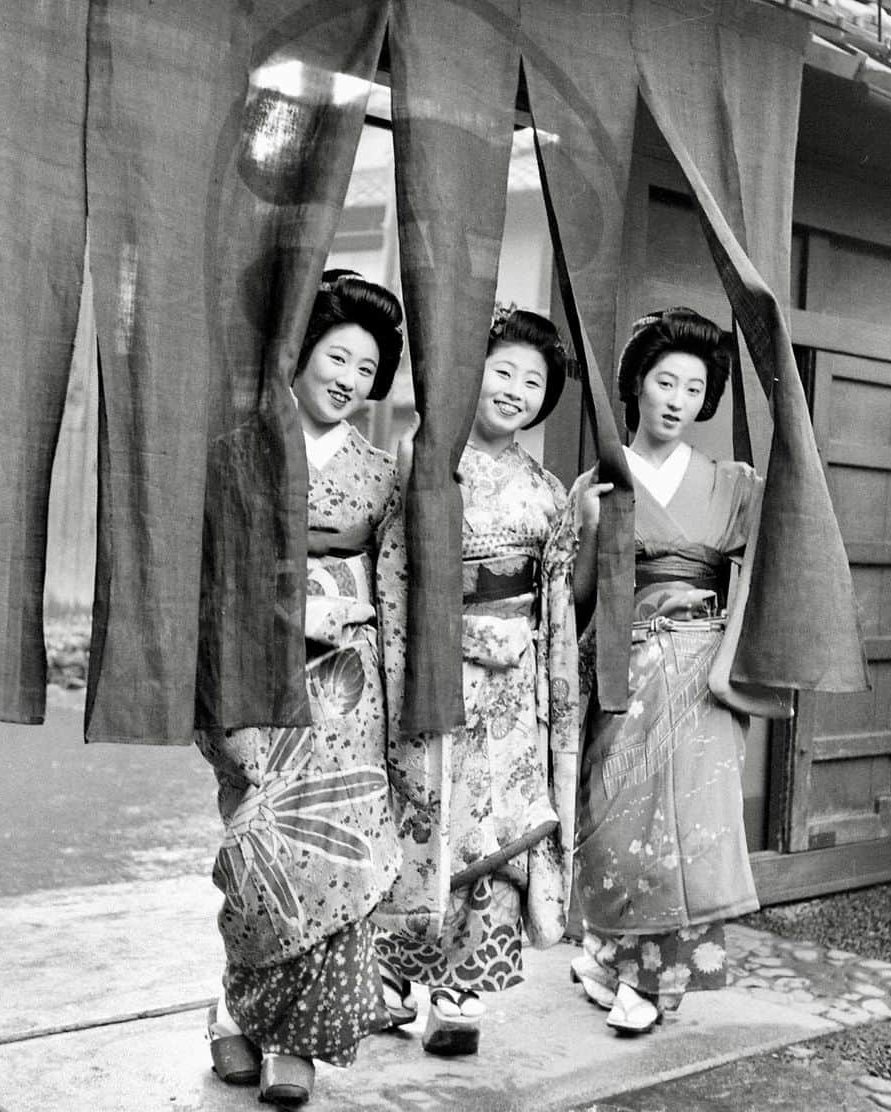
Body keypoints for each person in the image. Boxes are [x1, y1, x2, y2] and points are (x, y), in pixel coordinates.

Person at [198, 271, 407, 1105]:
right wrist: (285, 612)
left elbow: (391, 587)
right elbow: (213, 579)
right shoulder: (238, 452)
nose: (350, 379)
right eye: (337, 356)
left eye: (367, 367)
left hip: (347, 690)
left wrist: (341, 610)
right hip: (256, 683)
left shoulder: (382, 474)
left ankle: (297, 1041)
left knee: (336, 863)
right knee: (257, 857)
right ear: (301, 353)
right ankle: (231, 1009)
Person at [374, 306, 579, 1056]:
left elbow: (559, 603)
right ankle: (393, 980)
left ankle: (461, 993)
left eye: (534, 380)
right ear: (470, 373)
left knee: (496, 835)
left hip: (512, 686)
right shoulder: (424, 459)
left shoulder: (550, 492)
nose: (517, 389)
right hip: (435, 664)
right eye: (503, 370)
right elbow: (395, 569)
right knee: (420, 815)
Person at [568, 307, 769, 1036]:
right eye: (664, 381)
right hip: (623, 666)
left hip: (702, 668)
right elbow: (579, 598)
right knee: (615, 819)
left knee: (688, 830)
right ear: (637, 386)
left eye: (693, 385)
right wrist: (589, 529)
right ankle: (612, 954)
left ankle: (658, 983)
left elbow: (760, 578)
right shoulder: (601, 478)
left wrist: (733, 659)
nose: (678, 399)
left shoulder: (733, 483)